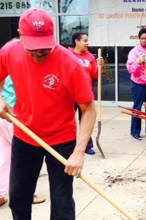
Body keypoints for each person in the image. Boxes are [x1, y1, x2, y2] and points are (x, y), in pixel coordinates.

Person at [0, 8, 96, 220]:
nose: (40, 52)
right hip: (25, 136)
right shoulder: (9, 52)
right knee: (18, 197)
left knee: (62, 205)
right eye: (34, 47)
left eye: (45, 46)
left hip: (62, 140)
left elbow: (88, 110)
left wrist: (79, 152)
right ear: (20, 34)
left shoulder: (69, 63)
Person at [0, 76, 45, 208]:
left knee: (5, 156)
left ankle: (0, 194)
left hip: (3, 114)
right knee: (25, 158)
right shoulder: (18, 65)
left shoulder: (6, 62)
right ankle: (27, 195)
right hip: (13, 116)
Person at [69, 32, 103, 155]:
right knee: (68, 120)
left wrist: (100, 66)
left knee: (85, 120)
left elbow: (95, 74)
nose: (87, 43)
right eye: (85, 40)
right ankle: (69, 144)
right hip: (69, 94)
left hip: (84, 94)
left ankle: (87, 145)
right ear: (76, 41)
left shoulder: (90, 57)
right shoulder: (68, 55)